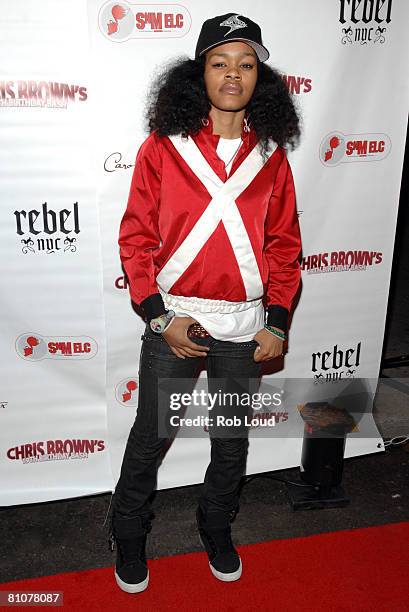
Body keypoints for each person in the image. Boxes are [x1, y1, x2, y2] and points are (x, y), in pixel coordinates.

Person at [108, 12, 302, 593]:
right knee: (152, 433)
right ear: (200, 73)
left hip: (246, 325)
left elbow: (285, 246)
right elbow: (135, 238)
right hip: (177, 321)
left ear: (258, 78)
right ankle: (128, 529)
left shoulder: (271, 156)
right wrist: (159, 317)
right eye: (220, 63)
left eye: (246, 64)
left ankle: (216, 525)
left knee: (231, 436)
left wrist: (279, 323)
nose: (233, 75)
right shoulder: (163, 148)